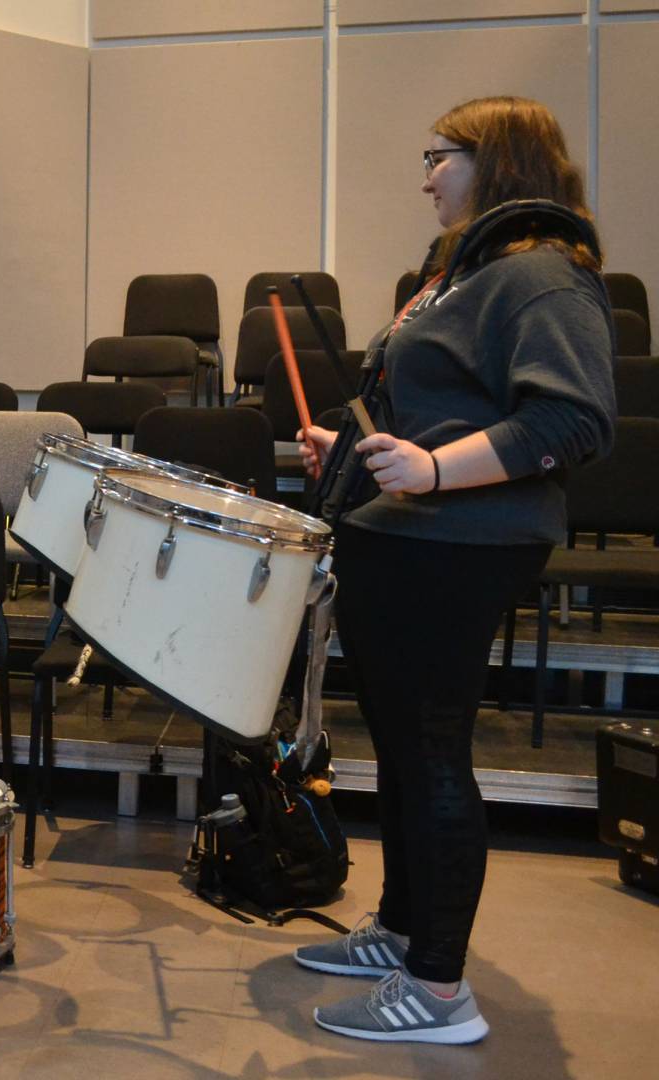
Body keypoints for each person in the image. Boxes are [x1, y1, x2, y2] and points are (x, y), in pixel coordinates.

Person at [293, 97, 615, 1044]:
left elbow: (572, 420)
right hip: (405, 539)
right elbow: (425, 415)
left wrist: (433, 470)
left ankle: (437, 991)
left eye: (441, 156)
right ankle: (401, 928)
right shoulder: (459, 275)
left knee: (432, 751)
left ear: (499, 160)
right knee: (401, 746)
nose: (426, 174)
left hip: (460, 548)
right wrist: (354, 452)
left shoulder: (544, 273)